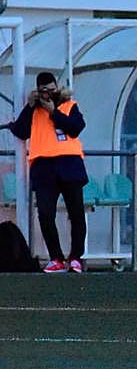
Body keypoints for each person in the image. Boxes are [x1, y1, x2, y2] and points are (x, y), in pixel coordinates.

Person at [3, 72, 88, 273]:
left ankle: (75, 257)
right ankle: (56, 257)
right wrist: (31, 105)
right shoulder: (33, 110)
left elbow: (75, 128)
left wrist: (53, 112)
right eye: (44, 91)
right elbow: (21, 131)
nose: (48, 95)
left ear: (57, 88)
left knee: (76, 213)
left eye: (51, 90)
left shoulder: (69, 105)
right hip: (44, 168)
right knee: (45, 214)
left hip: (70, 165)